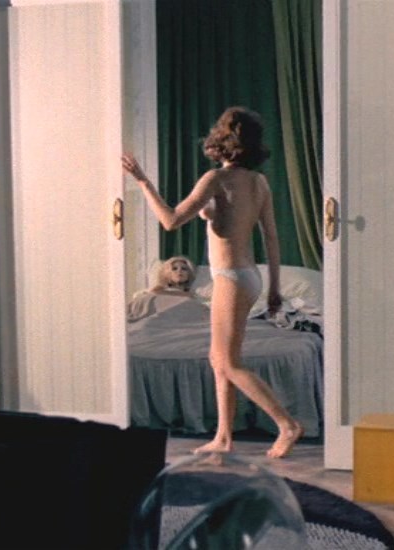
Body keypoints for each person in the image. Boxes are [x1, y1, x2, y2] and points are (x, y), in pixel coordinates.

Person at [121, 106, 304, 459]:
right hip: (249, 277)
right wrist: (274, 289)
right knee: (220, 360)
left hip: (231, 277)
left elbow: (170, 221)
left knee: (227, 362)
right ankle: (223, 437)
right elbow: (270, 238)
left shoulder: (215, 179)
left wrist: (143, 181)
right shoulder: (258, 182)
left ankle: (287, 424)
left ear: (223, 139)